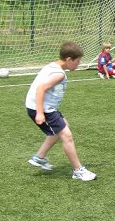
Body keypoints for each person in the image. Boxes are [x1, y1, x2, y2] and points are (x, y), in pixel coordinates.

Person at [25, 41, 97, 181]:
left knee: (63, 127)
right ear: (69, 59)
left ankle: (39, 157)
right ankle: (78, 170)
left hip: (40, 107)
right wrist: (40, 112)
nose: (78, 64)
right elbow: (40, 89)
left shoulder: (52, 65)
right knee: (66, 135)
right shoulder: (59, 74)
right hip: (43, 109)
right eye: (77, 61)